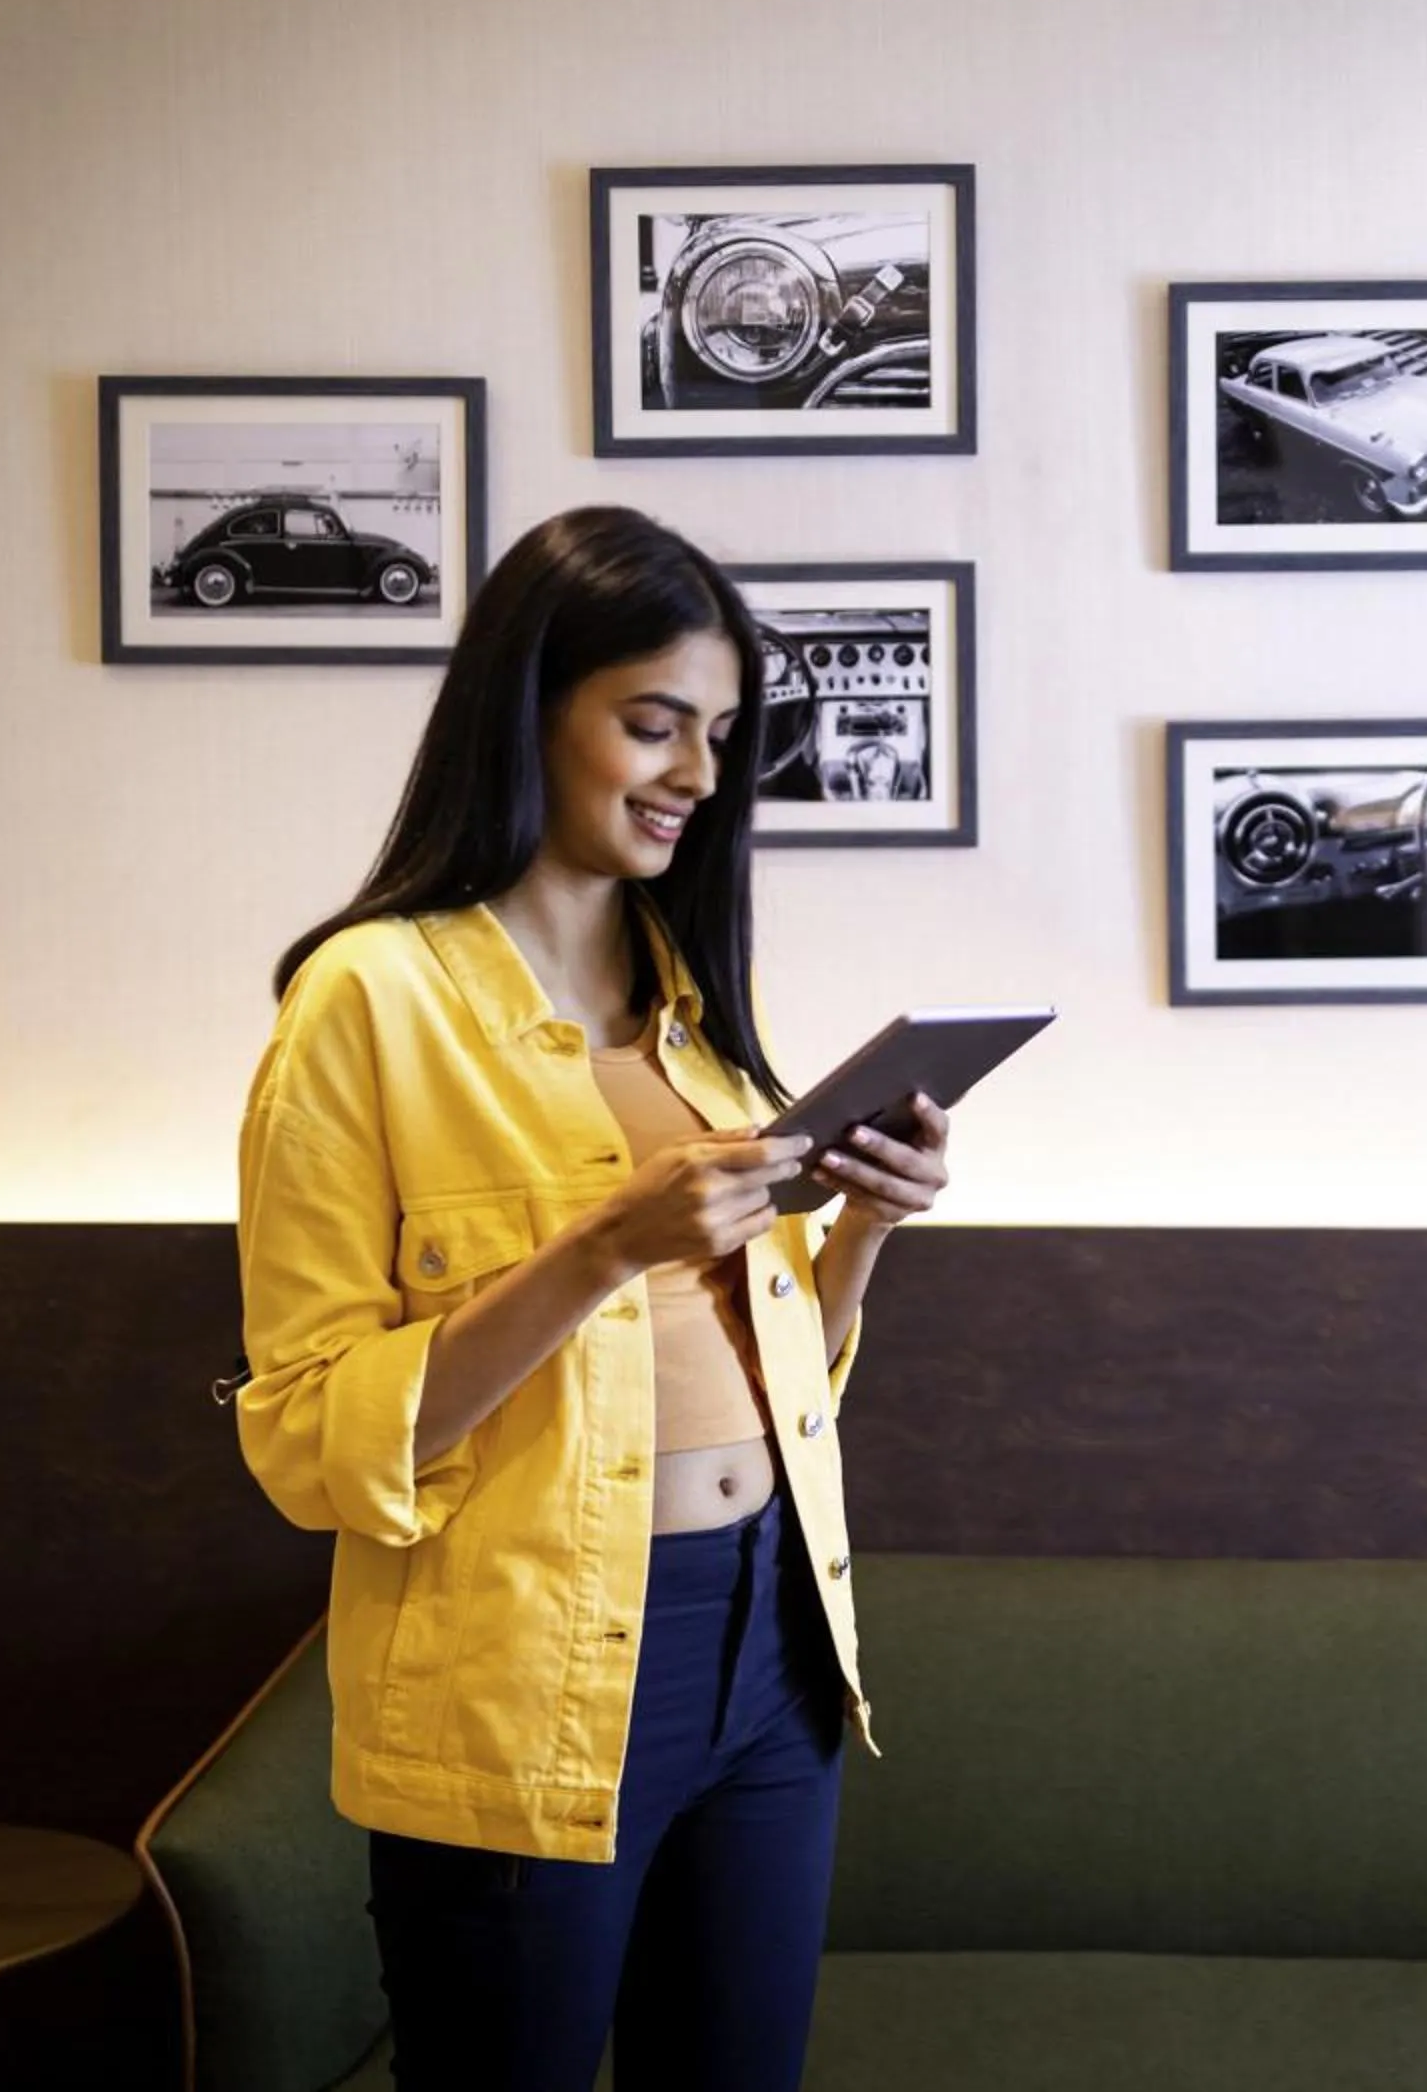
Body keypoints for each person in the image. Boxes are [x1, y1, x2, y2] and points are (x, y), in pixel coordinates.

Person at [230, 505, 950, 2092]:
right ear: (528, 703)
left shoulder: (696, 1018)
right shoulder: (369, 1000)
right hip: (530, 1663)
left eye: (720, 733)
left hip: (778, 1645)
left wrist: (864, 1235)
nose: (698, 770)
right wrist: (599, 1250)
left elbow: (785, 1390)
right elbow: (301, 1436)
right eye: (653, 722)